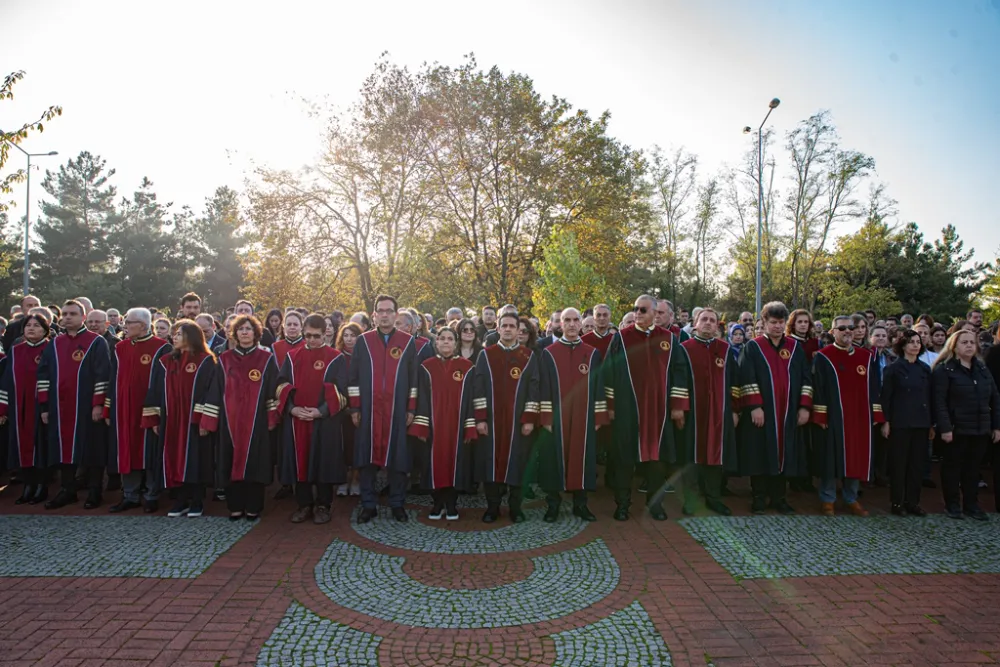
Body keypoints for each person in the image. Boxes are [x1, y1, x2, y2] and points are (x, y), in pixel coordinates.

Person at [603, 295, 688, 521]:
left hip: (659, 411)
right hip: (627, 408)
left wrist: (678, 406)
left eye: (643, 310)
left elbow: (680, 373)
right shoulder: (622, 338)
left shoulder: (669, 340)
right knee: (624, 458)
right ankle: (622, 504)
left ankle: (655, 504)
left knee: (658, 459)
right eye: (635, 309)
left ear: (654, 313)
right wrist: (610, 406)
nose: (638, 313)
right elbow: (608, 373)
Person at [348, 294, 419, 524]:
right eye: (381, 311)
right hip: (369, 410)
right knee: (366, 457)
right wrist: (355, 408)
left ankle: (397, 503)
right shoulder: (363, 341)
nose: (385, 315)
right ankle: (368, 504)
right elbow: (353, 378)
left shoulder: (407, 342)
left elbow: (414, 379)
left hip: (397, 411)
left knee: (398, 458)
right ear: (374, 315)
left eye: (389, 311)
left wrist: (411, 408)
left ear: (396, 315)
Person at [738, 301, 812, 515]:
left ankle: (779, 497)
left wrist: (804, 407)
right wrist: (755, 406)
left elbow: (806, 379)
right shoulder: (753, 347)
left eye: (781, 322)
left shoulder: (795, 348)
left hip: (788, 412)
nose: (778, 326)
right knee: (760, 453)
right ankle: (759, 497)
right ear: (764, 322)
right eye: (773, 322)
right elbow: (746, 377)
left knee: (785, 453)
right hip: (763, 412)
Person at [275, 314, 348, 525]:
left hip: (324, 420)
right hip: (297, 420)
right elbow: (281, 386)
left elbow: (342, 391)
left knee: (323, 462)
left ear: (325, 333)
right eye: (307, 335)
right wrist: (291, 409)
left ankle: (323, 505)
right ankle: (304, 504)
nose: (312, 340)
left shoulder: (336, 358)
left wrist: (321, 411)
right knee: (300, 461)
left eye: (316, 336)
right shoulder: (292, 357)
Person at [205, 315, 279, 521]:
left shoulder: (266, 359)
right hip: (230, 423)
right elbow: (215, 390)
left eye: (248, 329)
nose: (245, 332)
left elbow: (272, 391)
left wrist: (272, 418)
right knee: (230, 461)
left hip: (257, 422)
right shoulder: (224, 359)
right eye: (241, 329)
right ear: (235, 333)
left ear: (256, 333)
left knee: (256, 463)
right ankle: (235, 506)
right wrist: (209, 420)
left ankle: (254, 506)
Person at [537, 308, 608, 522]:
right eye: (566, 320)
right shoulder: (549, 353)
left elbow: (599, 387)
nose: (571, 324)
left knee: (582, 459)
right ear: (560, 324)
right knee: (553, 460)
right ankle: (553, 504)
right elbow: (544, 387)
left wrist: (599, 416)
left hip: (583, 418)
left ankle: (581, 504)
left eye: (575, 320)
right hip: (556, 419)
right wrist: (546, 417)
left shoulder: (592, 353)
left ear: (581, 324)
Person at [143, 320, 218, 517]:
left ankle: (197, 500)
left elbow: (210, 392)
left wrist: (204, 419)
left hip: (193, 420)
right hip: (171, 420)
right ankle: (180, 500)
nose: (174, 337)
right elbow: (155, 390)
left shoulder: (205, 361)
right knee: (173, 458)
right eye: (174, 334)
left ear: (191, 337)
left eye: (179, 334)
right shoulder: (165, 361)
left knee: (195, 458)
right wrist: (155, 419)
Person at [812, 316, 884, 517]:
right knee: (831, 457)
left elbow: (875, 388)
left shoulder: (866, 357)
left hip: (860, 417)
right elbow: (818, 388)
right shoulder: (824, 356)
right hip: (835, 416)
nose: (847, 331)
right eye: (842, 328)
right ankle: (828, 498)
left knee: (856, 457)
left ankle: (851, 498)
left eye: (850, 327)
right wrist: (821, 416)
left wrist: (876, 413)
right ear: (833, 332)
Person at [473, 312, 540, 523]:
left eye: (513, 326)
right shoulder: (486, 355)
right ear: (498, 329)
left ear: (519, 330)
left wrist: (529, 418)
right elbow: (478, 388)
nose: (509, 329)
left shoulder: (528, 356)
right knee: (491, 462)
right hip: (491, 422)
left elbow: (534, 389)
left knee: (518, 463)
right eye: (505, 326)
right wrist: (480, 418)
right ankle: (492, 507)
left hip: (517, 423)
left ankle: (515, 508)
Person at [105, 308, 171, 513]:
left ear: (142, 325)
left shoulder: (162, 348)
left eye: (129, 322)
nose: (124, 326)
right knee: (127, 450)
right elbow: (112, 379)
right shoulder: (119, 347)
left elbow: (163, 384)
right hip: (123, 410)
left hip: (148, 411)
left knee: (149, 452)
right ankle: (130, 495)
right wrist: (108, 408)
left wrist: (157, 413)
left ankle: (152, 495)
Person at [408, 327, 476, 520]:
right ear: (436, 342)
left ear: (456, 343)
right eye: (442, 338)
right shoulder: (426, 367)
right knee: (432, 463)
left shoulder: (468, 367)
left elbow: (472, 399)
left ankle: (452, 503)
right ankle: (437, 503)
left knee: (456, 463)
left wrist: (469, 427)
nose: (446, 342)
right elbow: (420, 398)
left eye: (450, 339)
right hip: (433, 425)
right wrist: (421, 427)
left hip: (457, 425)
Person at [932, 330, 1000, 520]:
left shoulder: (982, 368)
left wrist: (996, 426)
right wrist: (945, 427)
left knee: (973, 469)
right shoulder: (945, 370)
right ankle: (952, 505)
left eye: (972, 342)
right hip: (956, 428)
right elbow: (939, 402)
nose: (969, 345)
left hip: (980, 428)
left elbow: (995, 398)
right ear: (954, 346)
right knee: (952, 468)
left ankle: (971, 505)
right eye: (964, 342)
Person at [679, 308, 738, 515]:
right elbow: (678, 382)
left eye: (712, 320)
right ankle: (691, 499)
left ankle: (714, 498)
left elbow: (734, 383)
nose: (708, 323)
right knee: (691, 456)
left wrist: (735, 410)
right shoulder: (684, 349)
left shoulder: (725, 350)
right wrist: (680, 409)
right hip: (693, 413)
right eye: (704, 319)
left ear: (716, 326)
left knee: (715, 454)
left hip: (719, 413)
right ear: (695, 324)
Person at [0, 311, 51, 504]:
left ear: (45, 330)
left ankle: (42, 486)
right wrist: (3, 409)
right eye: (28, 325)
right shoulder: (16, 351)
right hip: (19, 407)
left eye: (37, 325)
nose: (31, 328)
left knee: (41, 448)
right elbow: (7, 381)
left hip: (40, 407)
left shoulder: (51, 349)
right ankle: (28, 486)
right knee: (22, 447)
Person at [880, 329, 932, 516]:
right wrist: (886, 421)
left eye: (918, 342)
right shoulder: (893, 369)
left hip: (921, 422)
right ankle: (897, 502)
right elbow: (886, 397)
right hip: (900, 422)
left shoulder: (924, 369)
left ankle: (913, 502)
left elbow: (930, 396)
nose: (915, 345)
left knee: (917, 465)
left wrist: (931, 423)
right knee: (899, 464)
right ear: (902, 345)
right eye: (911, 342)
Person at [335, 322, 364, 497]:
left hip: (360, 407)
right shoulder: (337, 356)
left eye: (353, 335)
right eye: (345, 335)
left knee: (357, 445)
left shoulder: (364, 356)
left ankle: (355, 479)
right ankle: (343, 479)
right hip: (341, 409)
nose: (349, 339)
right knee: (342, 445)